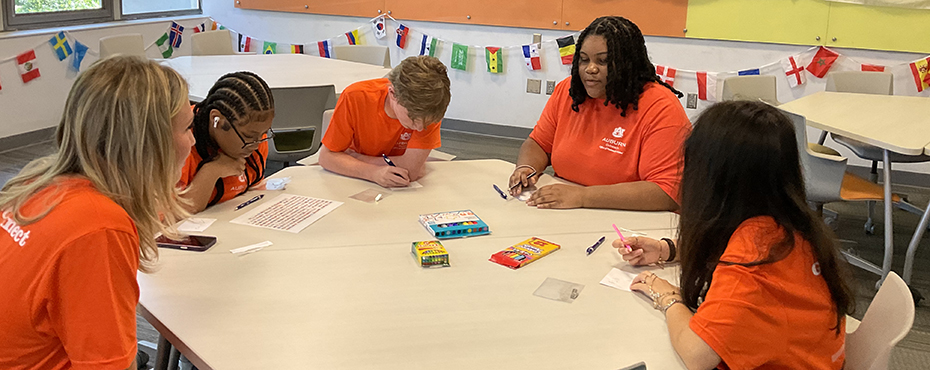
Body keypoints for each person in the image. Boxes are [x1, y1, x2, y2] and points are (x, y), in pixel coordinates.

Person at [615, 101, 854, 369]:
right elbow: (729, 246)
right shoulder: (788, 224)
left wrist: (668, 297)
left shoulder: (751, 256)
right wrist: (667, 249)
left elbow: (698, 356)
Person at [0, 56, 194, 370]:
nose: (193, 140)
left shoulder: (37, 183)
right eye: (187, 128)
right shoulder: (99, 226)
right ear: (150, 142)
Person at [509, 16, 690, 211]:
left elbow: (666, 192)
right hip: (569, 210)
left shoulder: (661, 107)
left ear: (627, 64)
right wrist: (526, 168)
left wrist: (583, 197)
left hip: (631, 222)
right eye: (584, 60)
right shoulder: (569, 91)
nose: (590, 69)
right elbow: (539, 143)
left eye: (603, 61)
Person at [319, 55, 451, 188]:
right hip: (354, 179)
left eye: (428, 122)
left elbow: (409, 171)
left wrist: (355, 158)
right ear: (393, 94)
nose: (420, 128)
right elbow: (326, 157)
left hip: (378, 178)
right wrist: (372, 172)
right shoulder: (355, 97)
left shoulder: (430, 107)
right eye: (412, 118)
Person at [177, 71, 275, 213]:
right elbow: (174, 215)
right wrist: (211, 172)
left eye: (263, 134)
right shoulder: (182, 142)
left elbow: (254, 192)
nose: (257, 144)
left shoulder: (255, 137)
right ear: (217, 119)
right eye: (248, 136)